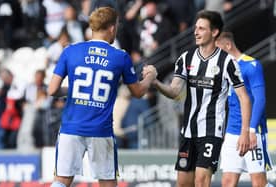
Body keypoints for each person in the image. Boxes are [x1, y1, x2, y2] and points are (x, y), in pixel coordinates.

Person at [47, 7, 157, 187]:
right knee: (107, 183)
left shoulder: (70, 50)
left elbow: (52, 90)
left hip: (70, 127)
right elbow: (137, 92)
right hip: (100, 130)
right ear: (112, 28)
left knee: (61, 181)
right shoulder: (120, 57)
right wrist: (150, 77)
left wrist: (75, 91)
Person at [150, 10, 251, 187]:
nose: (196, 32)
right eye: (196, 28)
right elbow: (174, 91)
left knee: (201, 181)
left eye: (202, 28)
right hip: (188, 130)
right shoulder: (185, 58)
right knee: (183, 183)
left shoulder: (227, 62)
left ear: (214, 32)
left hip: (211, 131)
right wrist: (156, 82)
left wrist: (245, 132)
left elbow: (244, 97)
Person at [216, 31, 274, 187]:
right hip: (232, 132)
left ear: (228, 45)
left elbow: (260, 99)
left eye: (217, 50)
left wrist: (252, 130)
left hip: (251, 132)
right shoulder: (222, 69)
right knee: (227, 182)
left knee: (259, 184)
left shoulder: (251, 65)